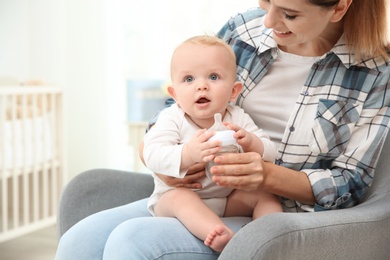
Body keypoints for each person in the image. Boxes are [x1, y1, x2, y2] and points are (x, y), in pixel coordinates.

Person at [55, 0, 390, 259]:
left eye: (289, 13)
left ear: (340, 7)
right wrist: (161, 157)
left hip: (279, 209)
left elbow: (352, 181)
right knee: (80, 242)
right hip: (200, 188)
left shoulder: (375, 73)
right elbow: (182, 105)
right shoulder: (243, 30)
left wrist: (264, 175)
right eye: (265, 2)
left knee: (132, 241)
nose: (269, 21)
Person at [143, 35, 282, 252]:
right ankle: (217, 232)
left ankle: (274, 238)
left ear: (233, 91)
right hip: (177, 198)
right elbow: (152, 153)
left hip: (226, 198)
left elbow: (271, 153)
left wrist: (252, 143)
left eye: (214, 77)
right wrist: (188, 153)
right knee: (180, 198)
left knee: (263, 195)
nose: (202, 86)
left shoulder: (237, 117)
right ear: (174, 94)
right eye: (189, 79)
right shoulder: (173, 118)